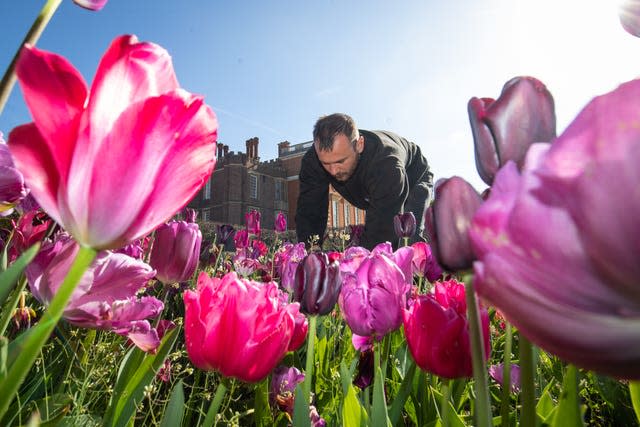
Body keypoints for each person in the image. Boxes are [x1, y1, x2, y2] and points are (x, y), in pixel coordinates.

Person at [296, 113, 434, 250]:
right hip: (373, 186)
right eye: (325, 163)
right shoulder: (313, 161)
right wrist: (311, 250)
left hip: (414, 176)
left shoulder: (386, 165)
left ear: (359, 145)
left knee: (407, 237)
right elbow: (310, 210)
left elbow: (381, 230)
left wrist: (360, 263)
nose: (333, 171)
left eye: (340, 161)